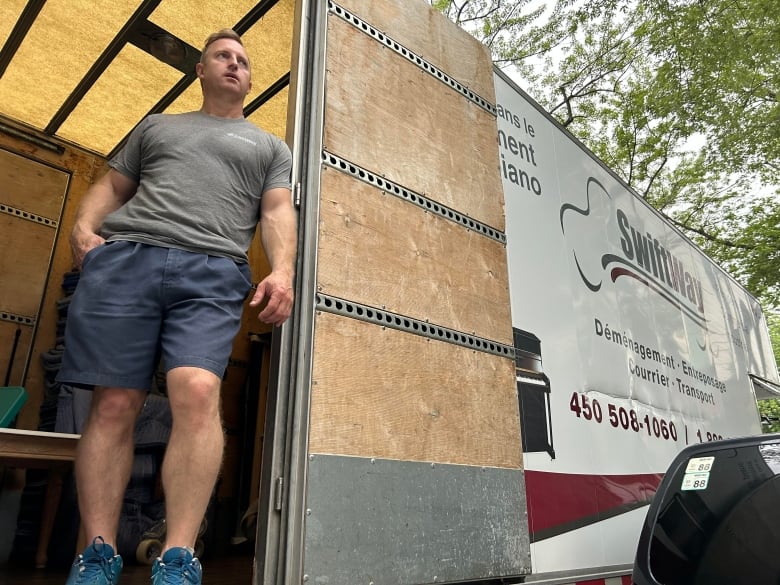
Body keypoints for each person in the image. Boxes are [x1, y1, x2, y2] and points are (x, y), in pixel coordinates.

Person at [57, 29, 296, 585]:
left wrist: (282, 270)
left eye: (242, 60)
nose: (234, 64)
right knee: (115, 403)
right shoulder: (158, 125)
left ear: (249, 79)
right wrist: (84, 227)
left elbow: (278, 211)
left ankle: (178, 557)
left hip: (211, 268)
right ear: (201, 69)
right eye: (222, 56)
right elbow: (113, 187)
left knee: (197, 390)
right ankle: (95, 556)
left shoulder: (268, 147)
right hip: (129, 260)